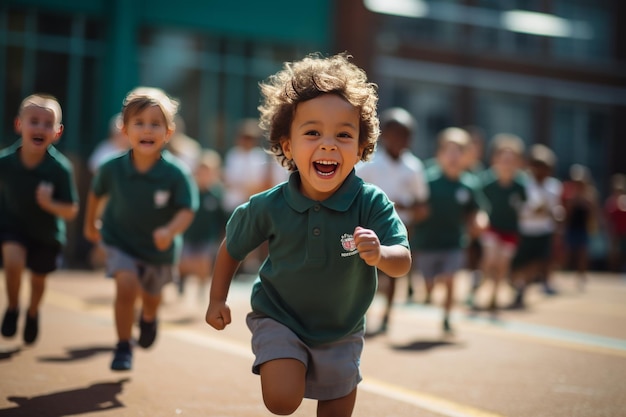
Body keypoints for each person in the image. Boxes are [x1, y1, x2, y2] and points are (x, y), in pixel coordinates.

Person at [205, 53, 411, 417]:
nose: (328, 144)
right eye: (312, 132)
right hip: (279, 317)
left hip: (342, 328)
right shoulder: (269, 205)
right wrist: (217, 299)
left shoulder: (370, 202)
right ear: (287, 145)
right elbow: (232, 247)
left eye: (343, 135)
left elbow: (403, 260)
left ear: (361, 148)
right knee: (282, 400)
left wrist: (380, 255)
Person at [83, 87, 198, 371]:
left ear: (168, 132)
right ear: (124, 130)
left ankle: (149, 317)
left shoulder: (176, 173)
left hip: (158, 251)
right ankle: (123, 346)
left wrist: (169, 231)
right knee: (126, 286)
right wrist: (90, 225)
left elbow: (187, 209)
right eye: (139, 123)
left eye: (155, 124)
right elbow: (96, 194)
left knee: (151, 297)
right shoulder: (111, 168)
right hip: (119, 240)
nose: (147, 130)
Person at [0, 94, 79, 344]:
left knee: (38, 279)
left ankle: (33, 312)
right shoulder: (4, 162)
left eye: (48, 124)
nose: (40, 128)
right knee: (13, 261)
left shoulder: (60, 168)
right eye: (34, 121)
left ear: (58, 131)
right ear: (19, 124)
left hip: (46, 234)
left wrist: (50, 203)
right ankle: (13, 307)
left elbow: (71, 210)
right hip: (12, 227)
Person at [356, 107, 428, 332]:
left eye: (405, 135)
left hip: (399, 227)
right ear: (384, 135)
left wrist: (406, 208)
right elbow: (354, 192)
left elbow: (422, 204)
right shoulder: (369, 165)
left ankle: (387, 314)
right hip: (370, 226)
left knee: (395, 272)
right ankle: (362, 313)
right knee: (367, 272)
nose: (399, 140)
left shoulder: (413, 167)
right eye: (395, 134)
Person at [412, 127, 486, 333]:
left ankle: (446, 317)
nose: (453, 157)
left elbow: (477, 210)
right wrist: (419, 212)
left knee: (450, 278)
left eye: (459, 152)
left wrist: (480, 221)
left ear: (466, 157)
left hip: (454, 241)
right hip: (427, 242)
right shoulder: (427, 180)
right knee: (428, 284)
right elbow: (415, 204)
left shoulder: (469, 184)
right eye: (449, 151)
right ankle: (428, 290)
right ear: (439, 154)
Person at [473, 134, 526, 312]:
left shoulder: (520, 185)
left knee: (503, 263)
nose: (507, 164)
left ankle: (494, 295)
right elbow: (478, 203)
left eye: (511, 160)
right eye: (503, 159)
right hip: (491, 228)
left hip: (510, 230)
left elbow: (525, 206)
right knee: (491, 258)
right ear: (495, 160)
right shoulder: (488, 182)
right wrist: (481, 217)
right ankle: (480, 282)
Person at [510, 144, 563, 308]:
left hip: (543, 231)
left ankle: (522, 289)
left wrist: (555, 216)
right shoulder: (522, 184)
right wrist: (533, 211)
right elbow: (516, 207)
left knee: (537, 262)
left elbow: (555, 210)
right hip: (524, 230)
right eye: (538, 166)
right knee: (518, 263)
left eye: (545, 167)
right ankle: (517, 285)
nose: (541, 171)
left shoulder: (554, 186)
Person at [178, 149, 227, 300]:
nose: (204, 175)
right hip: (188, 235)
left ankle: (202, 290)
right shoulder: (189, 191)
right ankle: (181, 280)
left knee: (204, 264)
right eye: (201, 171)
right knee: (182, 263)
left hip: (207, 237)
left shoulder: (217, 194)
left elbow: (222, 218)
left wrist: (222, 236)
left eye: (208, 172)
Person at [561, 164, 600, 289]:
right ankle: (565, 274)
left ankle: (581, 275)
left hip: (583, 228)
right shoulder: (570, 195)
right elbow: (567, 212)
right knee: (569, 253)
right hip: (572, 227)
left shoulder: (590, 196)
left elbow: (594, 212)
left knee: (583, 253)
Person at [605, 173, 626, 272]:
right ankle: (614, 270)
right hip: (615, 232)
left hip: (624, 230)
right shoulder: (611, 201)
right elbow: (607, 216)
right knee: (614, 252)